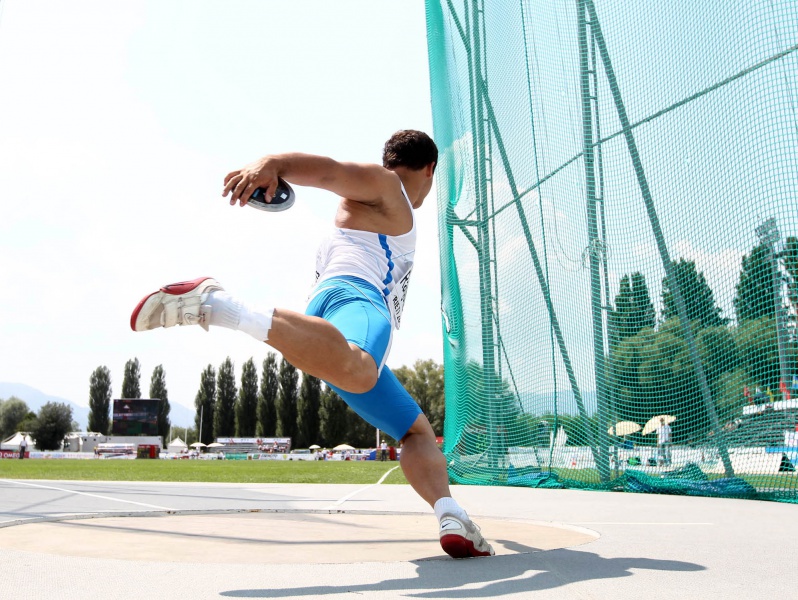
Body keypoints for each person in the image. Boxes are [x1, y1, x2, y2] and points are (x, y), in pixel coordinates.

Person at [130, 130, 493, 558]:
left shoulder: (380, 203)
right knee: (360, 370)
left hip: (328, 323)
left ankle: (450, 515)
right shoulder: (387, 184)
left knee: (416, 431)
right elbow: (329, 173)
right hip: (355, 301)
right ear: (430, 169)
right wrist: (273, 163)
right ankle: (216, 305)